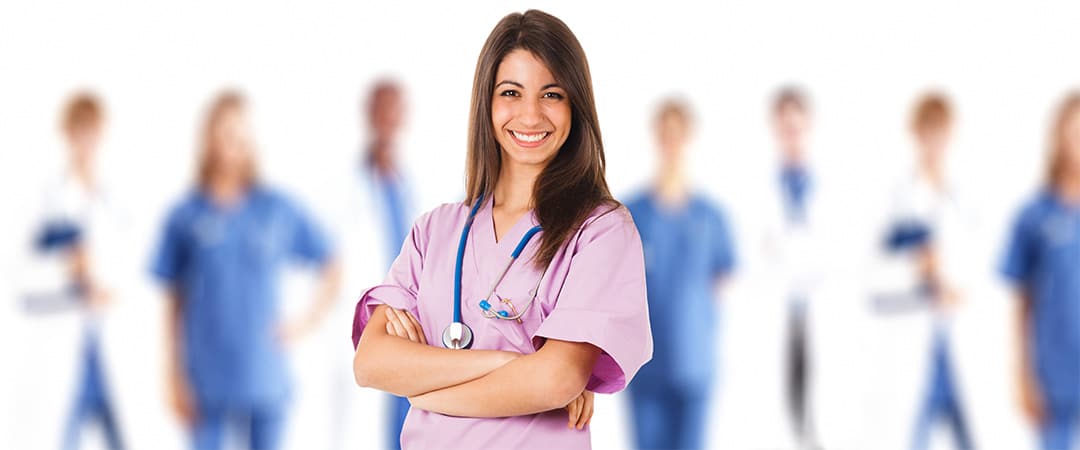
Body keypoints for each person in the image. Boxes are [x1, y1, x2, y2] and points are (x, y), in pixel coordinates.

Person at [350, 10, 652, 450]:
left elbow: (556, 378)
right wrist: (510, 362)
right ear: (487, 103)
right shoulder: (435, 230)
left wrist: (422, 386)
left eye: (552, 94)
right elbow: (372, 362)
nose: (530, 115)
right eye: (511, 92)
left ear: (576, 105)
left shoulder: (600, 231)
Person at [150, 91, 341, 450]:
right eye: (221, 135)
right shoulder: (186, 215)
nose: (230, 146)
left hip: (264, 371)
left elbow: (332, 263)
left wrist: (306, 322)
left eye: (238, 135)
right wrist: (172, 376)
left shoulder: (276, 208)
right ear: (207, 140)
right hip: (204, 374)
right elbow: (173, 300)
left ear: (251, 140)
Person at [624, 99, 735, 450]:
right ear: (656, 137)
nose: (671, 142)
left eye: (678, 134)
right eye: (665, 133)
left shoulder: (710, 216)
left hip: (695, 364)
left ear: (689, 139)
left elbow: (721, 281)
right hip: (647, 369)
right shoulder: (632, 214)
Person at [26, 92, 126, 450]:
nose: (87, 140)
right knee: (65, 437)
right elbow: (25, 278)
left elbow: (128, 265)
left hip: (107, 336)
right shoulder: (48, 196)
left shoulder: (113, 195)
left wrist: (104, 285)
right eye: (79, 130)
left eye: (94, 131)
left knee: (122, 437)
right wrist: (71, 273)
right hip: (66, 336)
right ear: (66, 133)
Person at [877, 93, 975, 450]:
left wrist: (954, 283)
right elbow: (875, 277)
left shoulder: (966, 195)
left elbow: (980, 267)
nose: (935, 140)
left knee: (971, 436)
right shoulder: (898, 196)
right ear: (914, 133)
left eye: (942, 131)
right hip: (914, 334)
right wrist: (917, 269)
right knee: (914, 436)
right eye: (927, 130)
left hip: (958, 334)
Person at [1001, 92, 1080, 450]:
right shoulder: (1034, 215)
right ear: (1059, 138)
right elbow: (1021, 301)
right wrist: (1021, 376)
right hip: (1054, 372)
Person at [761, 87, 825, 449]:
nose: (791, 135)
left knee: (820, 416)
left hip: (822, 314)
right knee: (783, 413)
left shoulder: (832, 187)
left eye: (797, 128)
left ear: (809, 127)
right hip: (779, 314)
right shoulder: (759, 190)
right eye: (784, 128)